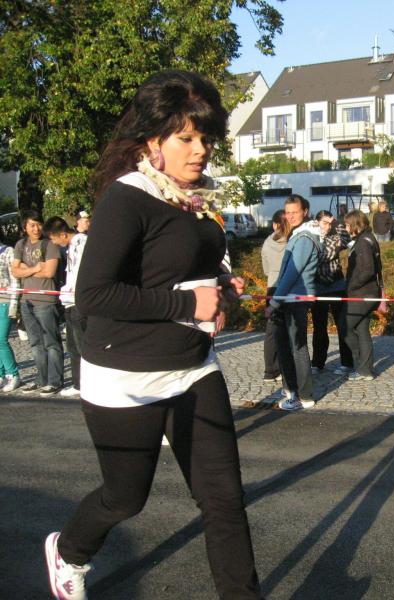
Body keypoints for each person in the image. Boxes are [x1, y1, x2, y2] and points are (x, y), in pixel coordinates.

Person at [43, 70, 260, 600]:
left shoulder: (194, 199)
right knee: (125, 498)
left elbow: (179, 270)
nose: (200, 149)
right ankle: (69, 551)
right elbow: (93, 295)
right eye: (186, 137)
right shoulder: (128, 197)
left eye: (205, 137)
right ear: (152, 142)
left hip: (193, 368)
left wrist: (220, 290)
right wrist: (188, 303)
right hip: (124, 376)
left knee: (224, 500)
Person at [265, 194, 321, 411]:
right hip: (291, 297)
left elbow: (290, 274)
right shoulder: (299, 234)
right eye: (287, 212)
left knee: (297, 347)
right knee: (285, 344)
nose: (290, 216)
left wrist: (274, 302)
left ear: (304, 211)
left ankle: (304, 396)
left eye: (294, 212)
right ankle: (290, 389)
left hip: (295, 298)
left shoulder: (305, 237)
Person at [12, 210, 64, 394]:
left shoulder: (49, 244)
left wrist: (25, 269)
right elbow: (15, 270)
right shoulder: (21, 244)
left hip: (46, 300)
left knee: (51, 342)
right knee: (35, 343)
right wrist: (35, 268)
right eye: (32, 225)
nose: (36, 228)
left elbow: (49, 272)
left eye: (39, 224)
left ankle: (55, 381)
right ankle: (41, 379)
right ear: (25, 227)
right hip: (27, 300)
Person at [43, 217, 88, 398]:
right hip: (69, 301)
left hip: (78, 301)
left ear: (62, 234)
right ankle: (78, 383)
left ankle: (87, 383)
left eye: (53, 238)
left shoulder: (81, 243)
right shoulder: (71, 246)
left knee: (82, 345)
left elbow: (80, 273)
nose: (54, 243)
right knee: (73, 346)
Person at [340, 209, 382, 381]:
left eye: (347, 225)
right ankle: (365, 370)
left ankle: (362, 364)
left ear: (355, 224)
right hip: (369, 293)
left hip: (361, 294)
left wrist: (350, 286)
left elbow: (367, 270)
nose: (346, 228)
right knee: (362, 330)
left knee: (344, 326)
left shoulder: (363, 242)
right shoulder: (368, 238)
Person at [311, 210, 353, 374]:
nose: (327, 227)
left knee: (342, 325)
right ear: (317, 222)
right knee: (319, 327)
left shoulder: (335, 237)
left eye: (330, 223)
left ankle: (347, 363)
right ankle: (317, 362)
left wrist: (338, 224)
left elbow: (347, 239)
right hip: (318, 287)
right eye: (324, 223)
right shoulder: (311, 238)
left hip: (337, 286)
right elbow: (321, 256)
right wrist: (331, 251)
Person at [260, 209, 286, 383]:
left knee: (271, 331)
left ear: (275, 225)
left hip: (272, 286)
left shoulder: (267, 242)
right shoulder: (293, 240)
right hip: (288, 288)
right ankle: (286, 368)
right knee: (288, 329)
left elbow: (266, 270)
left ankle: (270, 370)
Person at [0, 230, 21, 392]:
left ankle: (13, 374)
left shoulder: (8, 251)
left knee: (1, 339)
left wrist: (14, 302)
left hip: (5, 301)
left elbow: (14, 279)